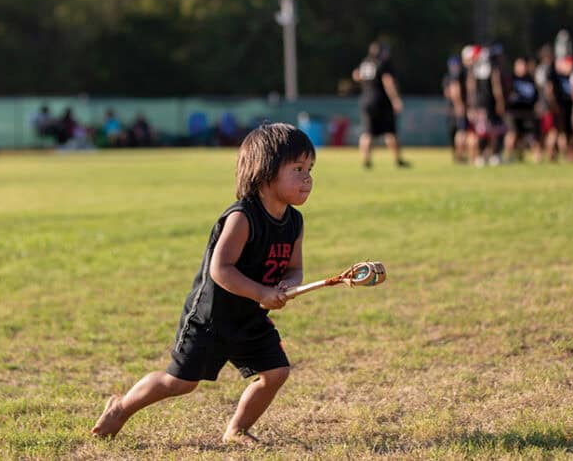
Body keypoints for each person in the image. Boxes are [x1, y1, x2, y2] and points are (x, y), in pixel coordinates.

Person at [92, 123, 314, 444]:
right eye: (297, 168)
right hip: (210, 318)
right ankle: (121, 407)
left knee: (276, 373)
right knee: (180, 382)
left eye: (310, 168)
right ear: (265, 173)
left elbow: (295, 268)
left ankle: (237, 430)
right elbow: (220, 269)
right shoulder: (242, 217)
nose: (307, 177)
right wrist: (261, 292)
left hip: (250, 318)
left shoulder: (294, 221)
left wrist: (287, 287)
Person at [352, 41, 409, 169]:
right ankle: (398, 160)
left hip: (366, 100)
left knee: (367, 132)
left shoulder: (365, 62)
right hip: (381, 101)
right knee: (390, 131)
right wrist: (395, 99)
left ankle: (366, 161)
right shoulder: (383, 63)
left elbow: (355, 75)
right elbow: (388, 81)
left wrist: (366, 82)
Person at [504, 57, 542, 163]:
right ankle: (508, 157)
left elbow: (536, 96)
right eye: (519, 65)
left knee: (533, 136)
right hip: (513, 112)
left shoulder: (531, 79)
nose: (522, 68)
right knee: (513, 133)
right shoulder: (511, 79)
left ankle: (537, 159)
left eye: (524, 65)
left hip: (528, 112)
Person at [442, 55, 468, 163]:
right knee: (460, 131)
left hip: (451, 109)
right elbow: (453, 92)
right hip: (457, 109)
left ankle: (457, 155)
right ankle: (459, 156)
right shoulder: (456, 76)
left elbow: (446, 93)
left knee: (454, 133)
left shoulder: (447, 77)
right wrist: (459, 105)